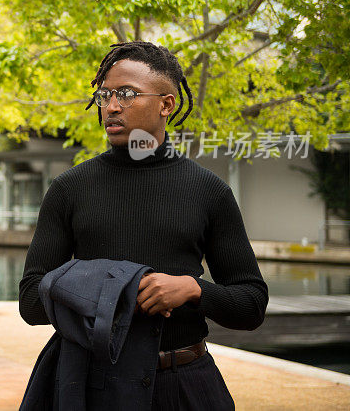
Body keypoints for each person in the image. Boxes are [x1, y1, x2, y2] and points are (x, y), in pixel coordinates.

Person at [19, 41, 268, 410]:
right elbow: (30, 301)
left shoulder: (209, 191)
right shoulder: (69, 189)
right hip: (93, 385)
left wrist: (193, 289)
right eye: (105, 95)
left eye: (127, 94)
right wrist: (116, 292)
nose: (111, 106)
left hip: (185, 384)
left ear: (166, 104)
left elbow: (252, 305)